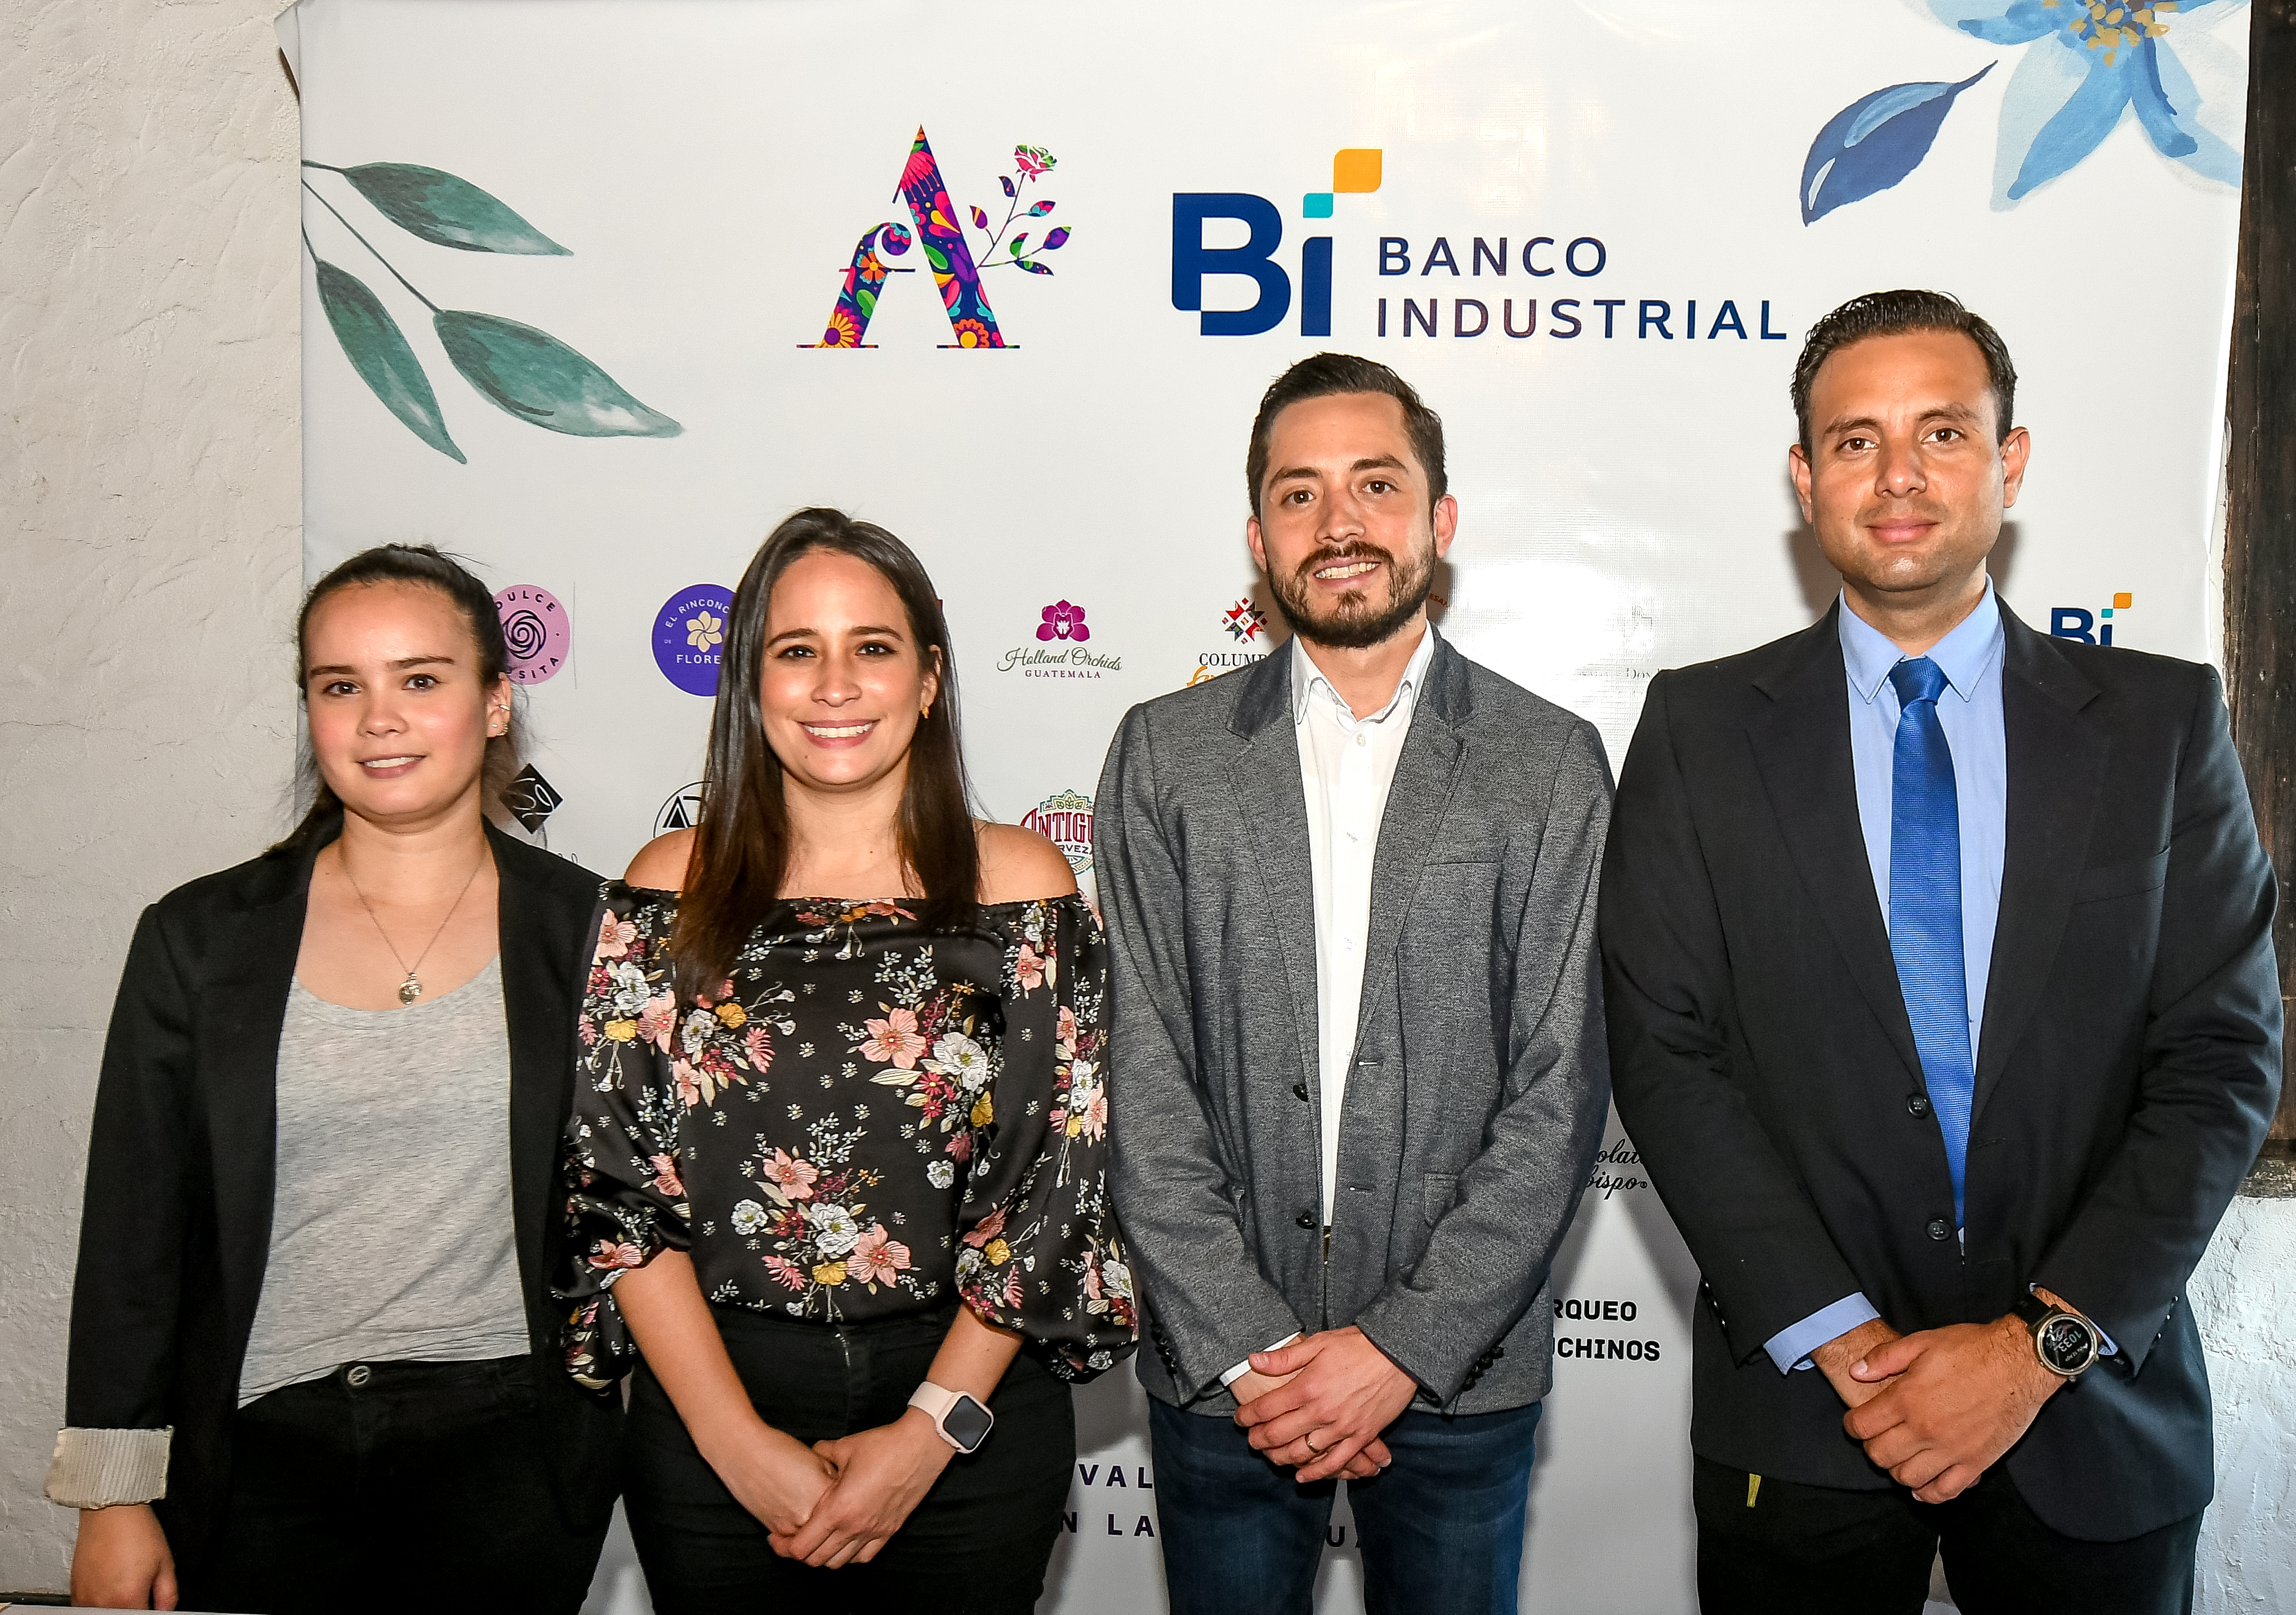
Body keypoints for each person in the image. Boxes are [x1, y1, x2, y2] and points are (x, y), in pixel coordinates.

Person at [1598, 289, 2281, 1613]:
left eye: (1941, 434)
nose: (1896, 475)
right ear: (1803, 481)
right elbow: (1663, 1053)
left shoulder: (2158, 725)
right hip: (1802, 1417)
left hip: (2090, 1418)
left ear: (2007, 462)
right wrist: (1837, 1335)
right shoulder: (1693, 733)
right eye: (1853, 441)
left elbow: (2220, 1060)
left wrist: (2036, 1347)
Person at [1096, 353, 1613, 1615]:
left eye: (1374, 486)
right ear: (1258, 540)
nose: (1337, 524)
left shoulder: (1548, 763)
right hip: (1224, 1379)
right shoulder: (1162, 757)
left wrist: (1399, 1351)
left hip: (1456, 1373)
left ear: (1437, 521)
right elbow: (1135, 1069)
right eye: (1297, 494)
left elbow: (1561, 1091)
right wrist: (1257, 1350)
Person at [560, 507, 1133, 1615]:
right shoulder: (664, 884)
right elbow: (616, 1194)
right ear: (750, 685)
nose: (833, 684)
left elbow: (1050, 1199)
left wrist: (928, 1435)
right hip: (710, 1414)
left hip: (970, 1419)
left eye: (870, 647)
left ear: (926, 680)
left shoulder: (1021, 888)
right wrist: (733, 1446)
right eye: (794, 651)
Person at [50, 545, 625, 1612]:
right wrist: (113, 1498)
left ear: (496, 703)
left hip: (512, 1454)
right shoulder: (200, 939)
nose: (378, 719)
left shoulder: (593, 931)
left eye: (420, 679)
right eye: (339, 686)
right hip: (261, 1456)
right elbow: (134, 1234)